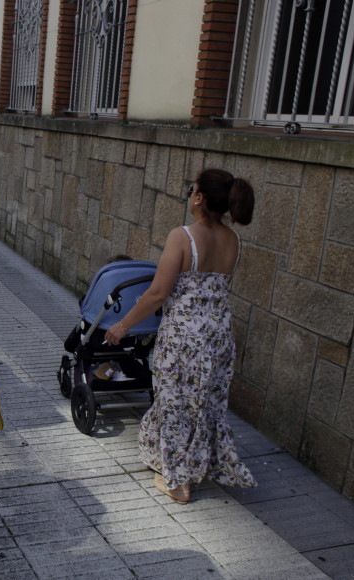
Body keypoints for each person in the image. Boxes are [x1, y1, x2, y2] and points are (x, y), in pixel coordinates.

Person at [103, 168, 257, 504]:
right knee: (206, 404)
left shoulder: (182, 236)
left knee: (174, 401)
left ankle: (175, 478)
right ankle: (201, 465)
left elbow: (158, 293)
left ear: (199, 197)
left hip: (185, 337)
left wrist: (122, 325)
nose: (191, 194)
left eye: (192, 189)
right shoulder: (234, 239)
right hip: (219, 335)